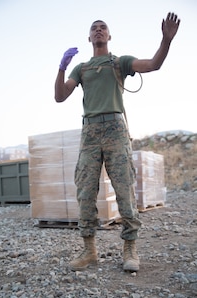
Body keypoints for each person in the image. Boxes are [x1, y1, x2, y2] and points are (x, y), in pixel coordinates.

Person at [54, 12, 180, 272]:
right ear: (89, 37)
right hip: (90, 133)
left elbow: (153, 64)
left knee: (124, 190)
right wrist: (62, 67)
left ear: (109, 36)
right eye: (94, 28)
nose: (99, 30)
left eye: (103, 28)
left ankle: (130, 248)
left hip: (115, 130)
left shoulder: (119, 62)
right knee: (85, 191)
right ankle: (89, 251)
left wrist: (166, 41)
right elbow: (60, 96)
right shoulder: (82, 69)